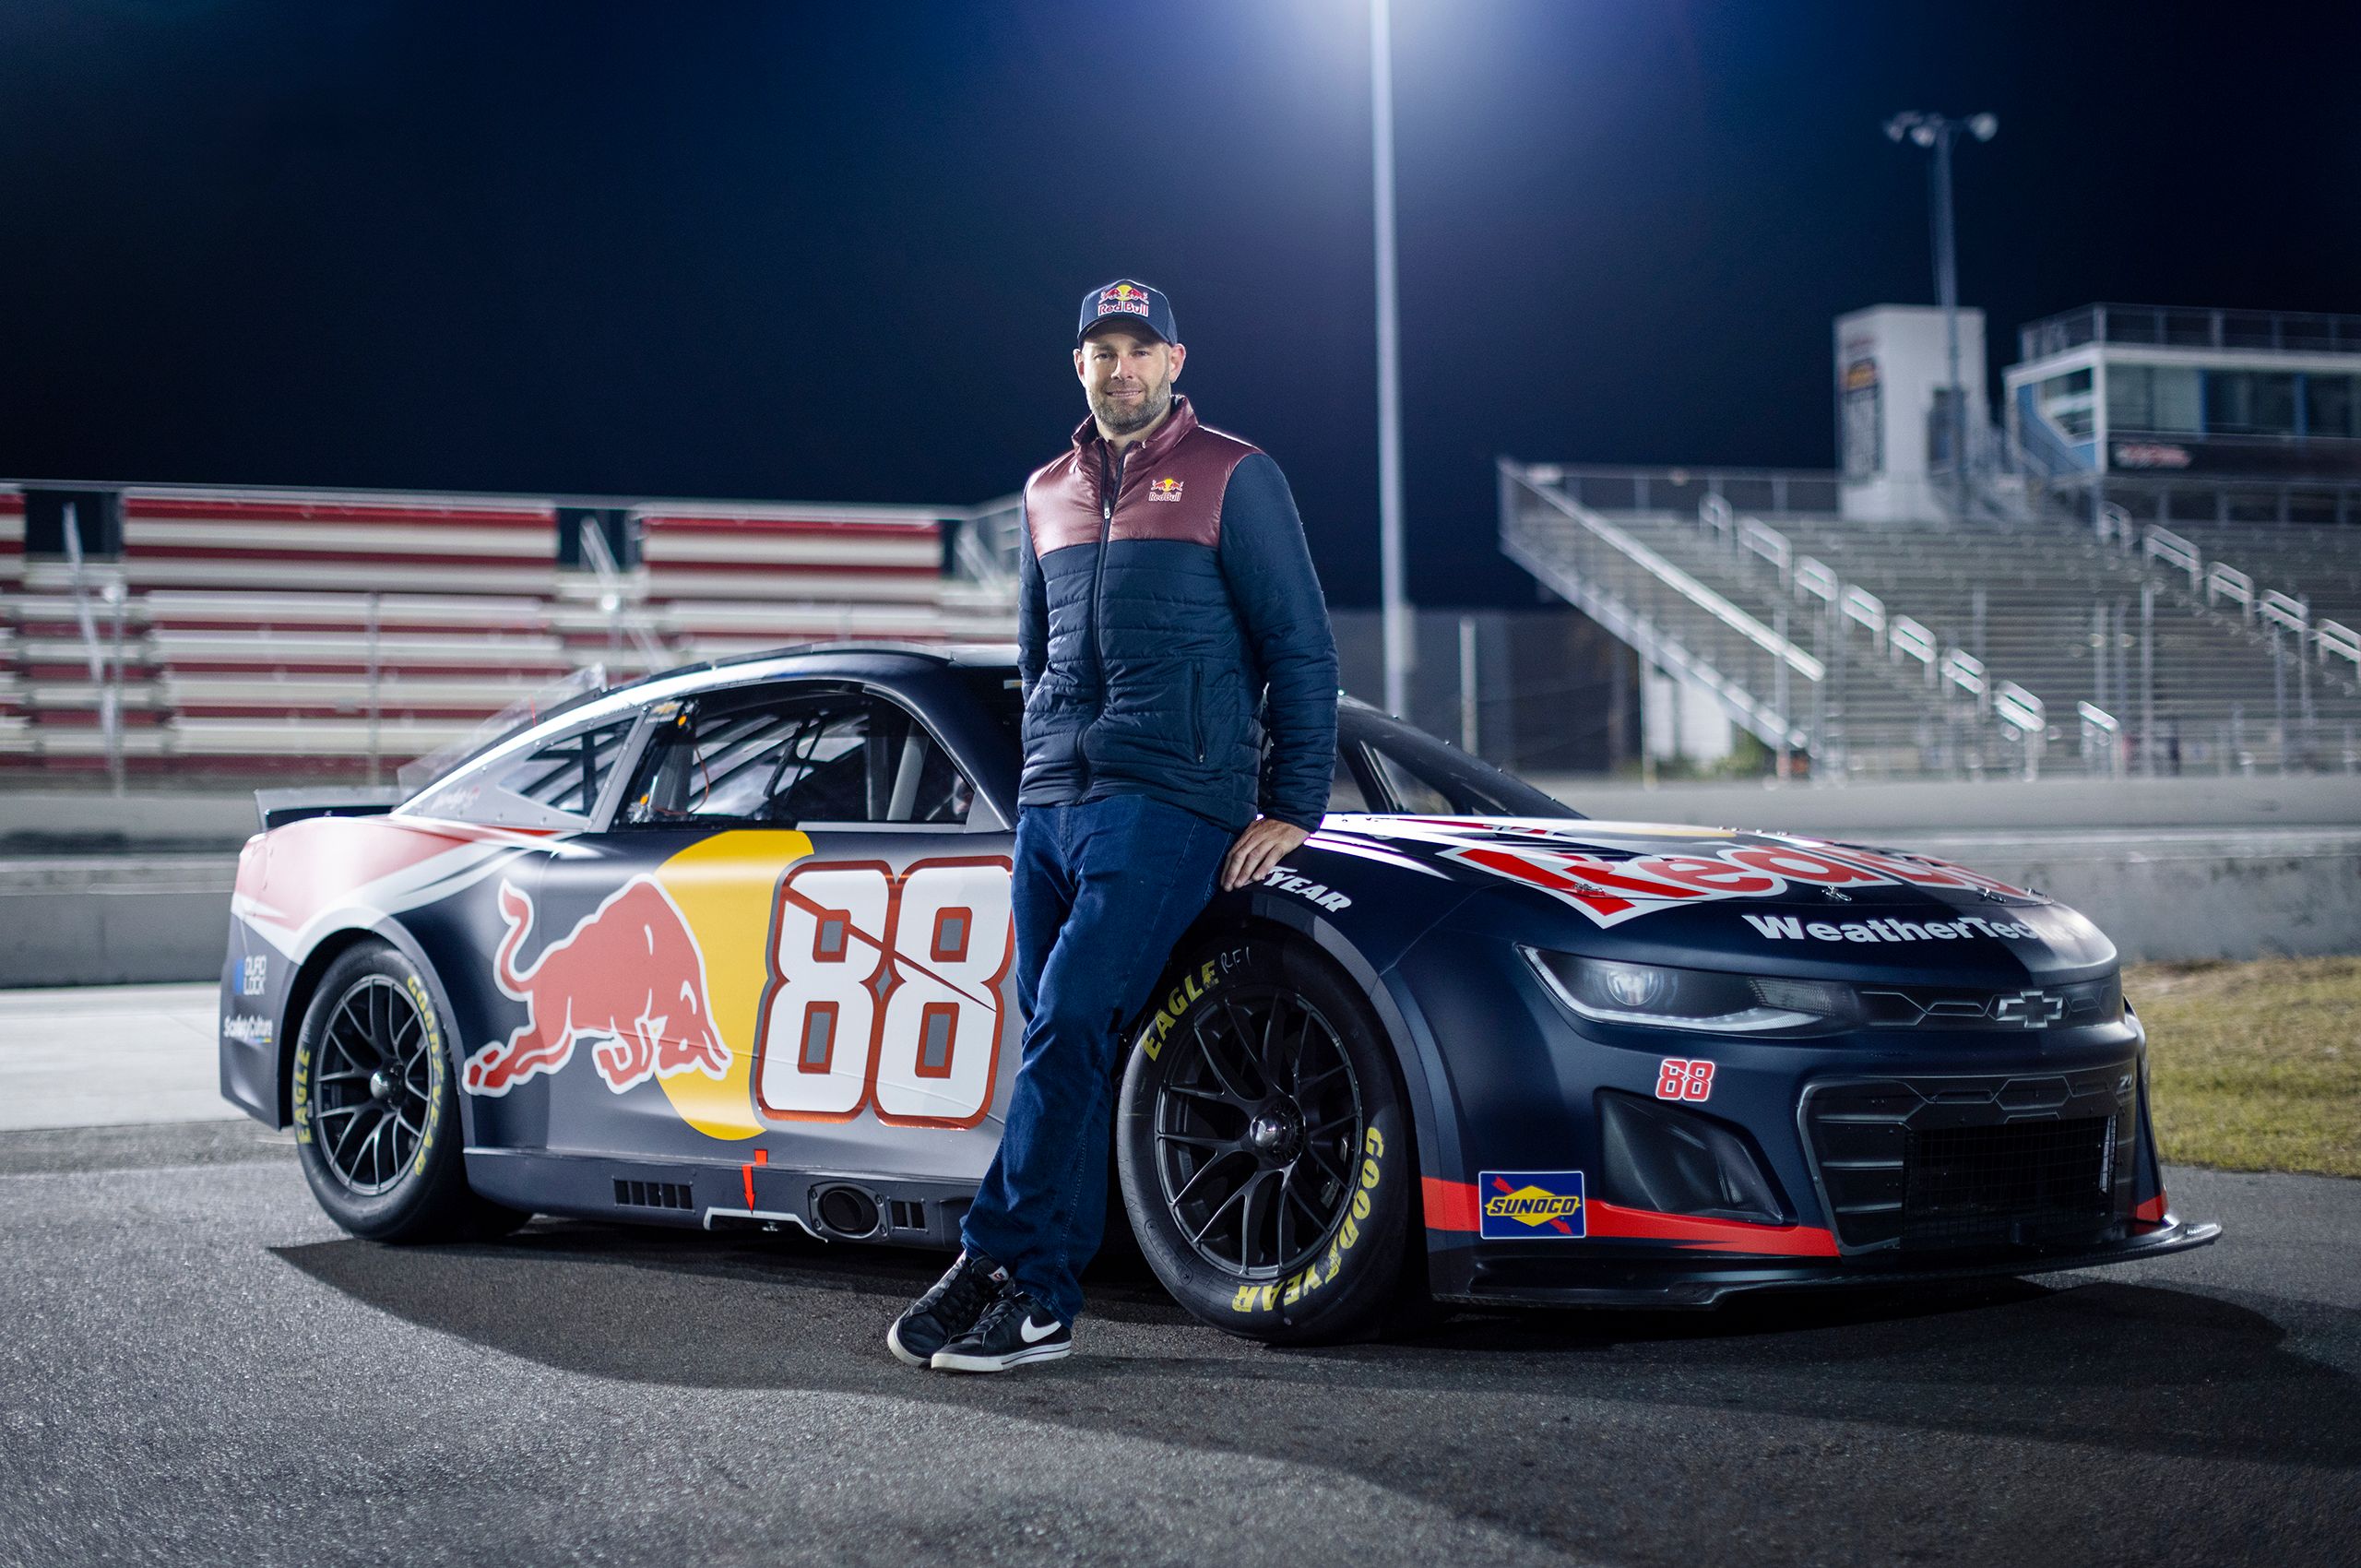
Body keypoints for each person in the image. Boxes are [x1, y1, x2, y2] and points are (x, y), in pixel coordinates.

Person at [888, 278, 1339, 1372]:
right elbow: (1036, 654)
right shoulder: (1045, 490)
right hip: (1054, 808)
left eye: (1141, 349)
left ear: (1175, 362)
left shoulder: (1235, 473)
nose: (1122, 367)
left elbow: (1300, 645)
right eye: (1104, 350)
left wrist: (1291, 805)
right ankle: (1032, 1283)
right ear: (1078, 364)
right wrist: (1038, 778)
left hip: (1169, 801)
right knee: (1060, 1042)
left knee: (1070, 1022)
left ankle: (999, 1262)